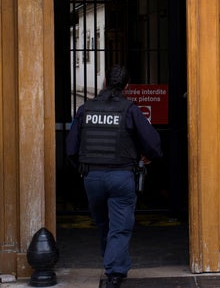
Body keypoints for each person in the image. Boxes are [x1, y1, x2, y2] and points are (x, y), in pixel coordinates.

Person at [66, 65, 163, 288]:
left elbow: (71, 148)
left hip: (92, 177)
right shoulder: (130, 109)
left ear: (104, 83)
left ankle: (112, 263)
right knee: (119, 226)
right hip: (121, 177)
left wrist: (83, 169)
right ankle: (114, 274)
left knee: (104, 224)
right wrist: (149, 156)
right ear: (127, 86)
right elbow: (152, 142)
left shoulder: (85, 109)